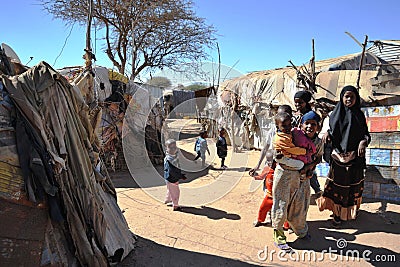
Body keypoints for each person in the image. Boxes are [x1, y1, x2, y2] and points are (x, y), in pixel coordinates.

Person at [317, 85, 370, 226]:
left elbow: (366, 134)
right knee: (338, 188)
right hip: (337, 157)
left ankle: (352, 210)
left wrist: (363, 141)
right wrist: (327, 134)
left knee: (353, 187)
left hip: (354, 158)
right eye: (346, 96)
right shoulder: (333, 115)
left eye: (352, 97)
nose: (349, 99)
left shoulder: (359, 115)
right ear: (341, 97)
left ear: (356, 99)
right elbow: (323, 132)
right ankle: (337, 213)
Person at [271, 112, 317, 252]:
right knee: (281, 204)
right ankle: (279, 236)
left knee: (300, 206)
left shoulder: (317, 141)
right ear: (301, 124)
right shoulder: (288, 135)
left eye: (313, 124)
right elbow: (275, 151)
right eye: (307, 123)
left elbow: (317, 159)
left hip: (302, 177)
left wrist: (308, 169)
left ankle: (301, 231)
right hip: (284, 174)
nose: (309, 127)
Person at [164, 139, 187, 211]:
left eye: (174, 147)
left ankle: (167, 200)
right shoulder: (170, 159)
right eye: (171, 147)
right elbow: (172, 171)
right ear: (167, 149)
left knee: (170, 189)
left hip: (168, 178)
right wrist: (180, 176)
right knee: (176, 192)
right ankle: (175, 206)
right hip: (172, 178)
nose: (173, 149)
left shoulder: (172, 156)